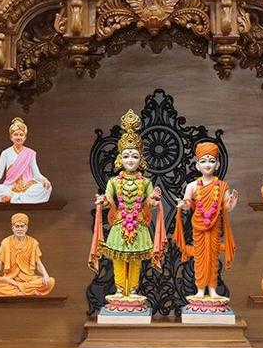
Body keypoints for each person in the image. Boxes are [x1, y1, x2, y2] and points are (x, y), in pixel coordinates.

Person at [88, 110, 166, 298]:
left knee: (136, 260)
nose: (130, 160)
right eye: (126, 156)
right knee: (118, 259)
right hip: (120, 223)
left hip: (138, 223)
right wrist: (103, 201)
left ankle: (132, 290)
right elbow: (108, 199)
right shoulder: (114, 181)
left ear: (141, 160)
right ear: (119, 159)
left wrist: (155, 199)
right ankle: (119, 289)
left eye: (134, 156)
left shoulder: (145, 182)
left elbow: (150, 202)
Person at [173, 141, 238, 298]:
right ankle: (200, 290)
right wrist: (183, 204)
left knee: (213, 257)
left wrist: (231, 203)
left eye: (211, 161)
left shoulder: (222, 186)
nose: (207, 165)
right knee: (200, 257)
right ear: (197, 165)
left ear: (217, 164)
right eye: (203, 161)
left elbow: (225, 207)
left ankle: (213, 289)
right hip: (198, 225)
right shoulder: (192, 186)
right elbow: (188, 203)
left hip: (214, 225)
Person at [0, 213, 55, 297]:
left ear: (26, 228)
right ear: (13, 228)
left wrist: (45, 275)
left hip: (28, 278)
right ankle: (27, 292)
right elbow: (0, 262)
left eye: (22, 226)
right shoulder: (6, 242)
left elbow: (38, 263)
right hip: (10, 277)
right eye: (17, 226)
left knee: (50, 281)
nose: (20, 229)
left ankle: (17, 289)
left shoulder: (33, 243)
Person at [0, 118, 52, 203]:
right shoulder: (5, 153)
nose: (18, 137)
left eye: (21, 135)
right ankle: (17, 196)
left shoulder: (30, 153)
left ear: (25, 137)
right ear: (11, 137)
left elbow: (36, 174)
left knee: (47, 187)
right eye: (16, 134)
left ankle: (13, 196)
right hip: (10, 185)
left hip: (27, 186)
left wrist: (45, 180)